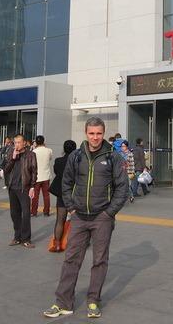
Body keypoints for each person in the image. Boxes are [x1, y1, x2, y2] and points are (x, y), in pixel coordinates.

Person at [43, 117, 128, 319]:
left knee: (99, 260)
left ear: (103, 133)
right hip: (79, 216)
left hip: (102, 217)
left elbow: (122, 188)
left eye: (99, 133)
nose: (95, 137)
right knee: (71, 259)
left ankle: (93, 301)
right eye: (91, 133)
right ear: (85, 133)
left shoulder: (114, 157)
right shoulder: (76, 156)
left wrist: (109, 213)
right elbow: (66, 183)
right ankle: (63, 302)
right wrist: (71, 208)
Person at [3, 134, 38, 248]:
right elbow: (7, 170)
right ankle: (17, 237)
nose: (17, 145)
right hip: (12, 187)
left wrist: (32, 186)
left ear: (24, 143)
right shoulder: (11, 153)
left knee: (26, 213)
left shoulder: (31, 155)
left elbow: (34, 171)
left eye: (19, 142)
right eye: (15, 142)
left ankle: (26, 238)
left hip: (24, 188)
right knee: (14, 214)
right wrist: (13, 158)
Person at [49, 139, 77, 252]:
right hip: (74, 193)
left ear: (64, 149)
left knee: (60, 220)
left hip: (62, 193)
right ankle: (76, 244)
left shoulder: (59, 161)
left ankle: (57, 244)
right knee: (77, 220)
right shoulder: (78, 161)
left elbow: (56, 172)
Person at [32, 135, 53, 217]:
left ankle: (34, 212)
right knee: (46, 195)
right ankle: (46, 211)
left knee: (35, 196)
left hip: (36, 177)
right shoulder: (49, 150)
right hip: (46, 176)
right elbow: (50, 158)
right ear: (44, 141)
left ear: (36, 142)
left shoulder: (34, 151)